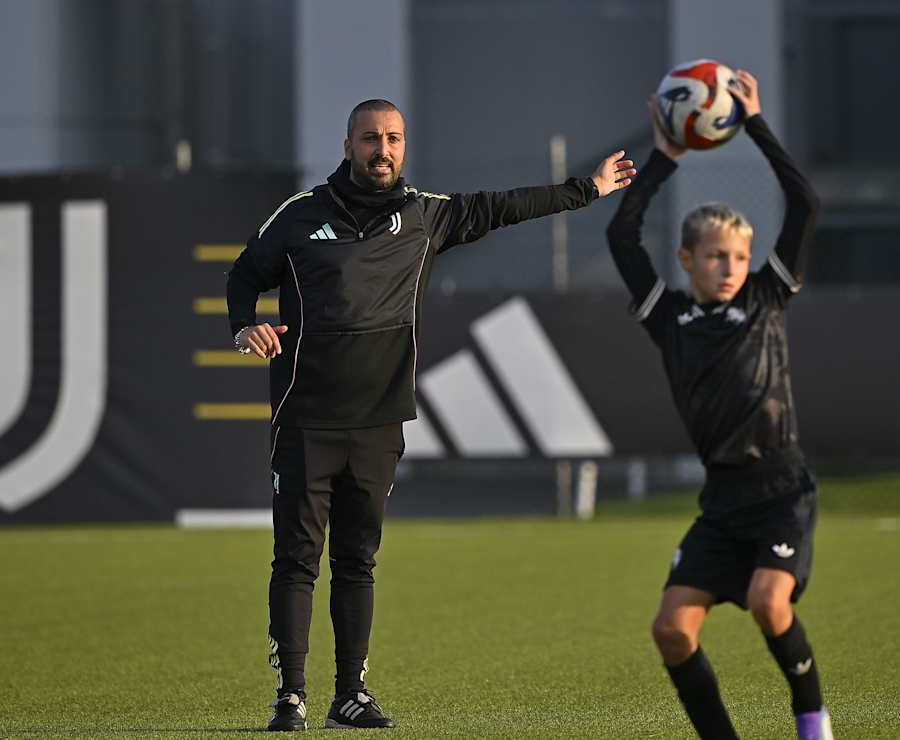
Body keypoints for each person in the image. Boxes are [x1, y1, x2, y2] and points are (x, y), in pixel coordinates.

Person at [226, 98, 634, 732]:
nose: (381, 149)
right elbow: (242, 276)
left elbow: (507, 206)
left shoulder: (426, 217)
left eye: (392, 138)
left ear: (404, 146)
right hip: (305, 417)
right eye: (369, 139)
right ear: (348, 146)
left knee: (357, 561)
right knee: (297, 559)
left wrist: (588, 189)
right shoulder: (299, 218)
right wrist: (243, 326)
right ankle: (291, 697)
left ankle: (349, 694)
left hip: (379, 421)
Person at [605, 72, 830, 739]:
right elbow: (622, 235)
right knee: (671, 630)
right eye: (714, 256)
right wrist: (665, 156)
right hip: (722, 502)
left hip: (782, 490)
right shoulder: (667, 317)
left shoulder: (766, 297)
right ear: (687, 259)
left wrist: (755, 123)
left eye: (738, 255)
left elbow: (805, 203)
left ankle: (813, 726)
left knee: (769, 603)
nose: (730, 266)